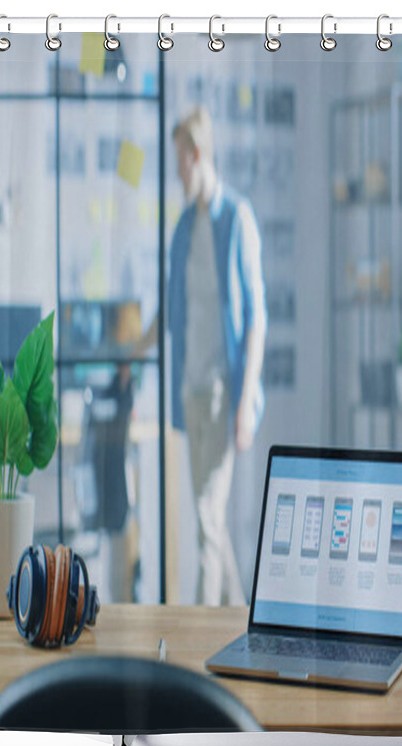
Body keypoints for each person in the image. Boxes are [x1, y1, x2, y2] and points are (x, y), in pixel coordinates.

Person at [139, 107, 266, 605]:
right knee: (209, 520)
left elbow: (256, 317)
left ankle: (199, 647)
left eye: (179, 163)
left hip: (222, 393)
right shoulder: (182, 230)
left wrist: (243, 403)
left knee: (206, 521)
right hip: (190, 392)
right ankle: (243, 620)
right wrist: (131, 353)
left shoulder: (237, 220)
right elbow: (168, 310)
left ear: (196, 156)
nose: (176, 175)